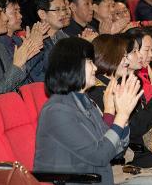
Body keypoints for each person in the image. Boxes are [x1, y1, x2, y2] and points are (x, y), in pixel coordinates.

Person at [33, 37, 142, 185]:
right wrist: (121, 115)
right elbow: (100, 156)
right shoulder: (57, 110)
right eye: (90, 62)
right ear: (72, 65)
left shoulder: (85, 102)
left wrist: (124, 115)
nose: (96, 68)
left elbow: (116, 151)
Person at [34, 0, 69, 81]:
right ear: (42, 14)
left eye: (64, 9)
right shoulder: (34, 42)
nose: (63, 14)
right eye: (57, 10)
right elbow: (37, 77)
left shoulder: (64, 37)